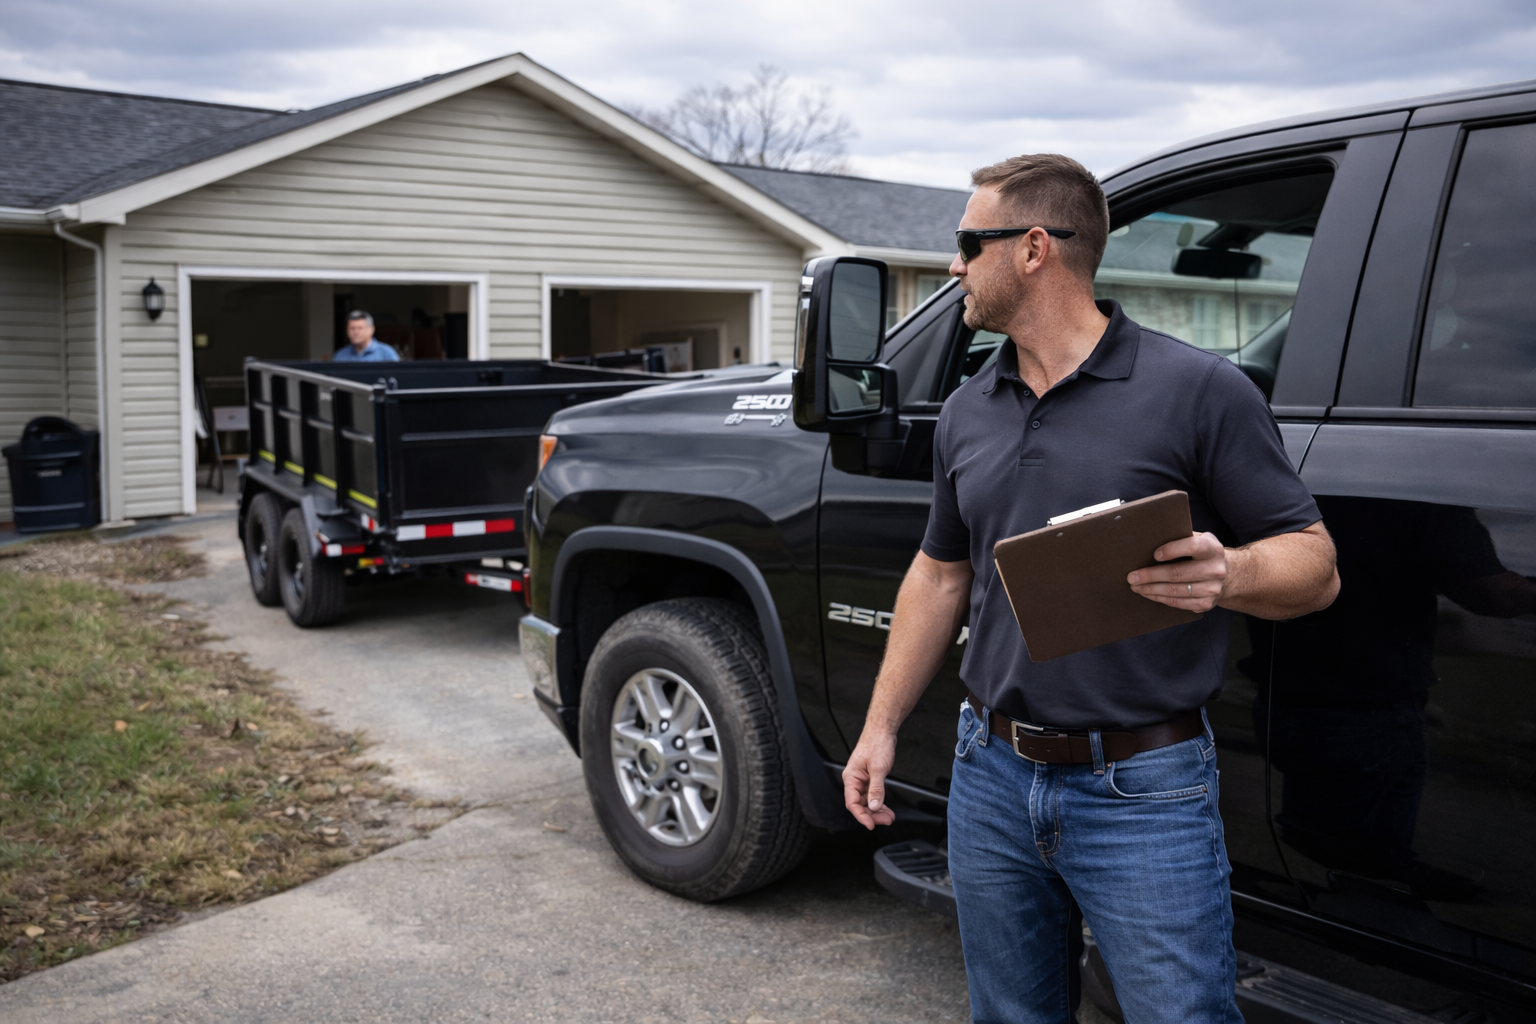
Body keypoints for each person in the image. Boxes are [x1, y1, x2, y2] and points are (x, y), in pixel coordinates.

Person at [840, 153, 1340, 1024]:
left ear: (1034, 248)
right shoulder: (967, 408)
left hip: (1144, 789)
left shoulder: (1199, 391)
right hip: (987, 773)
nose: (955, 264)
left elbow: (1316, 563)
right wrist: (879, 727)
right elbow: (941, 570)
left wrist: (1232, 572)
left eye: (968, 242)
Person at [332, 311, 400, 362]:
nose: (356, 332)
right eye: (352, 328)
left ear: (371, 330)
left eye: (360, 328)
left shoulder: (386, 353)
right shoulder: (341, 355)